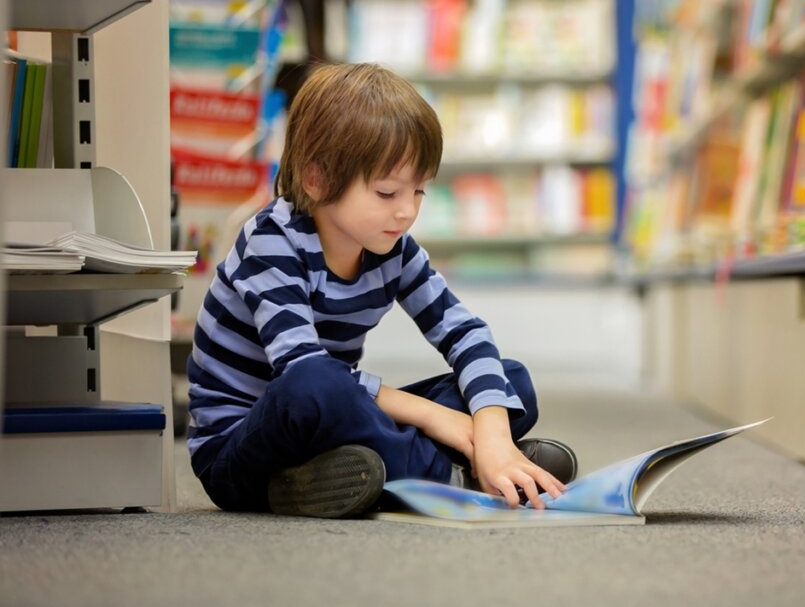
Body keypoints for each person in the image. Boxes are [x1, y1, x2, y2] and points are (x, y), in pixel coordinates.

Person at [185, 62, 578, 519]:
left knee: (510, 380)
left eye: (419, 193)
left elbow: (465, 333)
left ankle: (364, 475)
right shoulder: (271, 241)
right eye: (388, 193)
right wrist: (438, 418)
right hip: (239, 452)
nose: (406, 212)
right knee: (316, 385)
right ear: (317, 178)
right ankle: (457, 476)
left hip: (334, 425)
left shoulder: (393, 249)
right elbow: (302, 370)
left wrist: (489, 430)